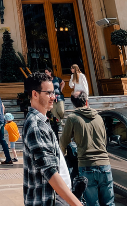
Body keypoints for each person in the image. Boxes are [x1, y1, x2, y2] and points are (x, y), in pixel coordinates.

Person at [22, 72, 82, 206]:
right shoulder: (36, 125)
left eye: (53, 93)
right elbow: (50, 172)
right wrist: (77, 205)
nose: (54, 97)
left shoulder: (41, 121)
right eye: (48, 93)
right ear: (35, 94)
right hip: (47, 201)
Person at [60, 91, 114, 206]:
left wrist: (63, 160)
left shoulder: (72, 118)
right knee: (109, 203)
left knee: (91, 204)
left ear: (73, 104)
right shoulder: (99, 117)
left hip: (86, 165)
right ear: (86, 101)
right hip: (105, 164)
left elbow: (63, 142)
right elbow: (104, 140)